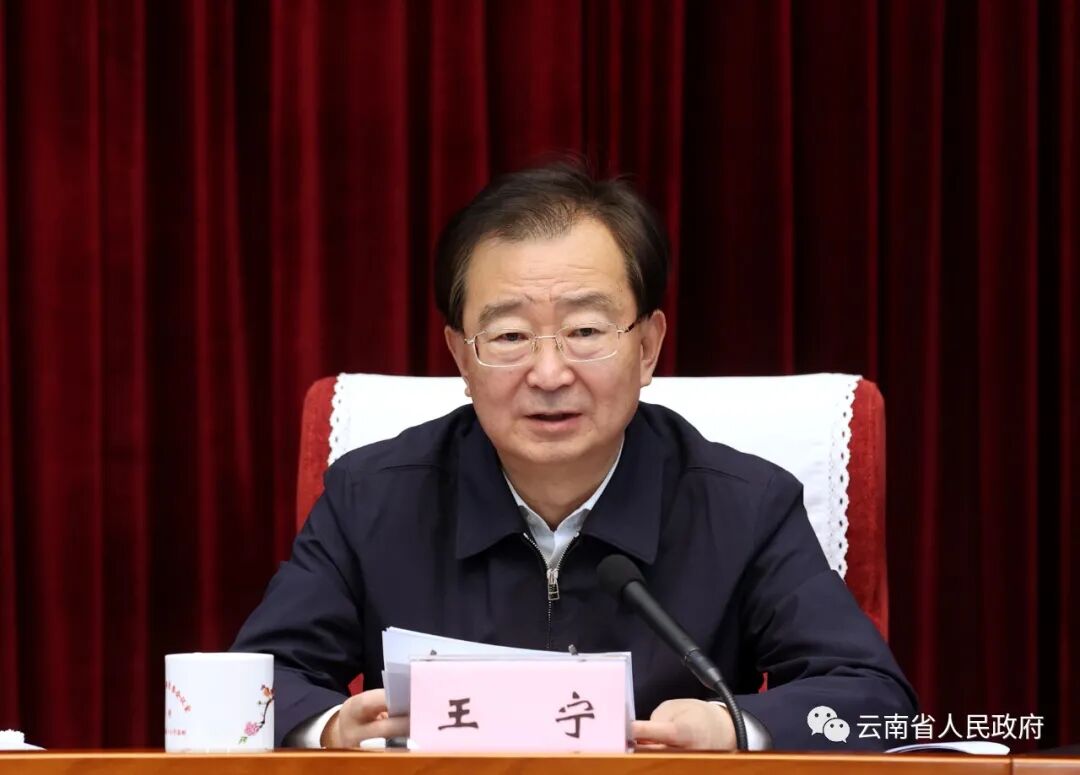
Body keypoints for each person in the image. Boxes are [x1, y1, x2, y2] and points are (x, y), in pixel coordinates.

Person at [232, 162, 917, 751]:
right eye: (509, 336)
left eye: (586, 329)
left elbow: (875, 698)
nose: (550, 372)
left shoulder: (743, 504)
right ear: (460, 358)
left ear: (647, 347)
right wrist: (330, 727)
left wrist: (733, 725)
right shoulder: (371, 497)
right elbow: (256, 683)